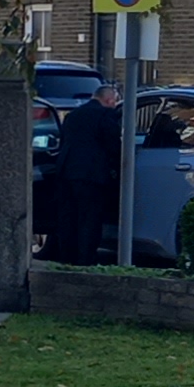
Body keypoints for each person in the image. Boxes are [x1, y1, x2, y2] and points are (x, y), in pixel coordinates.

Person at [41, 82, 125, 264]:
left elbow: (64, 141)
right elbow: (113, 146)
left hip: (66, 171)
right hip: (91, 175)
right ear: (109, 100)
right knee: (89, 218)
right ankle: (85, 258)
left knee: (67, 217)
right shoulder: (105, 115)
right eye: (115, 101)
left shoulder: (73, 115)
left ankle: (66, 257)